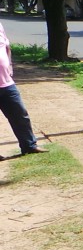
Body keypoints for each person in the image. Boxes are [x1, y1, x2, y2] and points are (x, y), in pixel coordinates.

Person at [0, 21, 47, 160]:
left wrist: (9, 67)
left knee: (20, 115)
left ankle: (29, 146)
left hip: (6, 83)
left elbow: (6, 47)